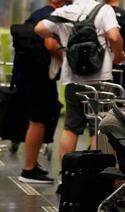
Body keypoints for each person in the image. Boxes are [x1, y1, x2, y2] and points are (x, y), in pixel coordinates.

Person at [34, 0, 124, 182]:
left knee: (70, 127)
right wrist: (118, 56)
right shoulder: (104, 9)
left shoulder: (66, 11)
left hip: (72, 77)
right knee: (97, 128)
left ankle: (66, 178)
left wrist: (62, 39)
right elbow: (114, 36)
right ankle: (94, 178)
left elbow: (39, 29)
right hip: (100, 78)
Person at [17, 0, 66, 184]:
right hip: (39, 76)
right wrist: (70, 58)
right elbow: (51, 45)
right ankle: (28, 170)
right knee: (38, 120)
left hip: (30, 74)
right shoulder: (51, 17)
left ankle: (31, 166)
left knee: (37, 119)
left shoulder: (38, 13)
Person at [105, 0, 125, 105]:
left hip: (103, 65)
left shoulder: (99, 13)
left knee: (104, 100)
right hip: (121, 64)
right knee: (122, 100)